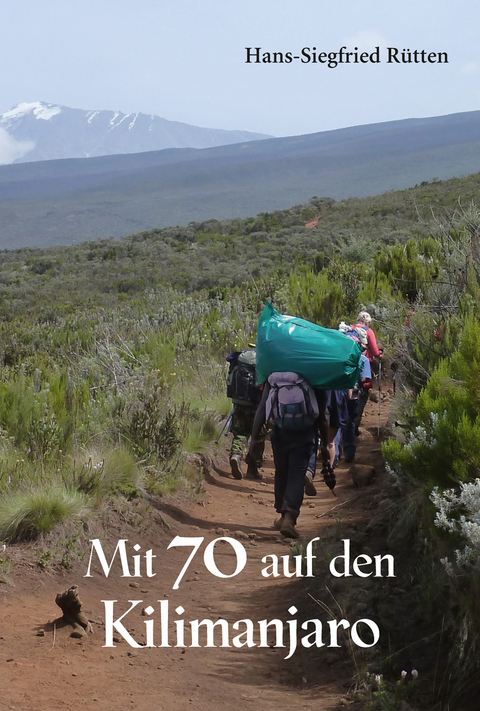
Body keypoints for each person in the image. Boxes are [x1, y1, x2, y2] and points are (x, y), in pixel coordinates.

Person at [247, 372, 318, 539]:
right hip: (305, 431)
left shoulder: (274, 374)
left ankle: (282, 512)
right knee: (297, 473)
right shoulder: (312, 370)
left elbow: (263, 405)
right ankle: (289, 517)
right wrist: (326, 442)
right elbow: (322, 410)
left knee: (282, 472)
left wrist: (255, 438)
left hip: (280, 431)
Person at [334, 326, 372, 464]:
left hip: (335, 393)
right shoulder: (362, 359)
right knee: (349, 423)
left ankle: (334, 455)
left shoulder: (337, 356)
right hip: (353, 395)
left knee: (336, 422)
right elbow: (364, 379)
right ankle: (349, 453)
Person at [226, 348, 265, 480]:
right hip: (256, 405)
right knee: (258, 436)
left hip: (239, 403)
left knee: (240, 432)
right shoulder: (262, 361)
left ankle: (236, 455)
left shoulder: (240, 360)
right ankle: (252, 468)